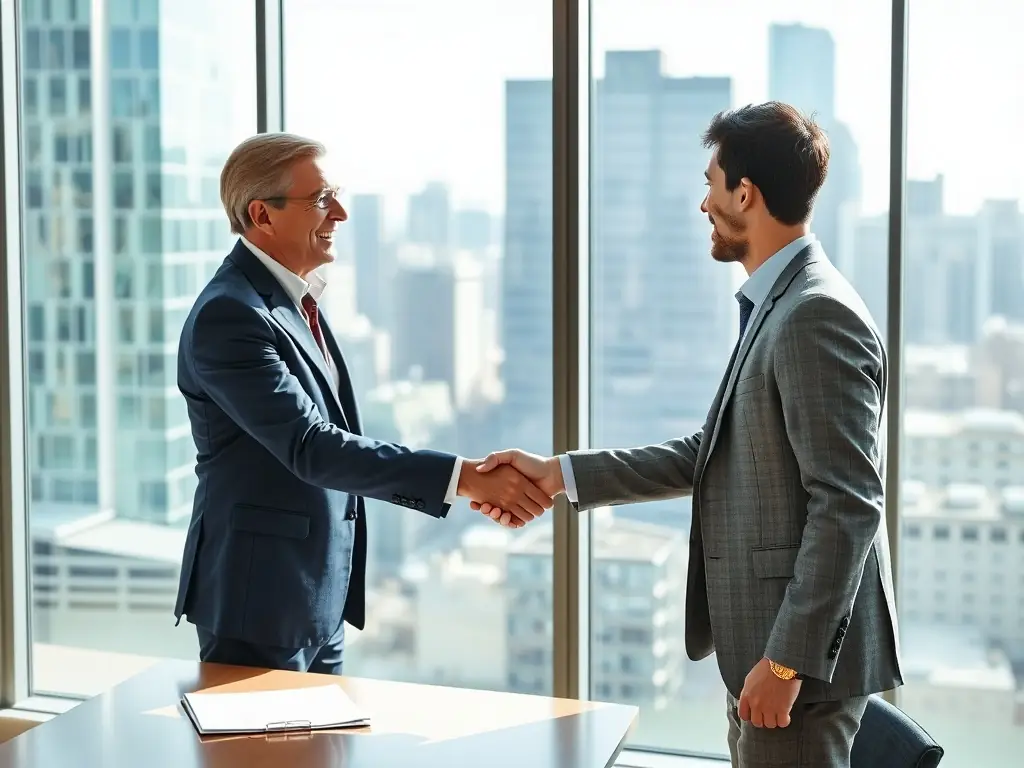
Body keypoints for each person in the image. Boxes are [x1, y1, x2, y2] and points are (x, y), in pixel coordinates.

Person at [472, 102, 903, 767]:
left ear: (744, 193)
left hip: (794, 669)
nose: (704, 204)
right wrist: (560, 474)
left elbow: (848, 503)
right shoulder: (782, 304)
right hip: (765, 650)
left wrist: (786, 662)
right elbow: (715, 454)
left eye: (711, 184)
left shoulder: (814, 315)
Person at [173, 132, 552, 675]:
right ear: (262, 214)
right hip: (259, 603)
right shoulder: (230, 317)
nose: (342, 213)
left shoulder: (296, 298)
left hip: (317, 596)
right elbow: (312, 447)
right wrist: (464, 478)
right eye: (322, 200)